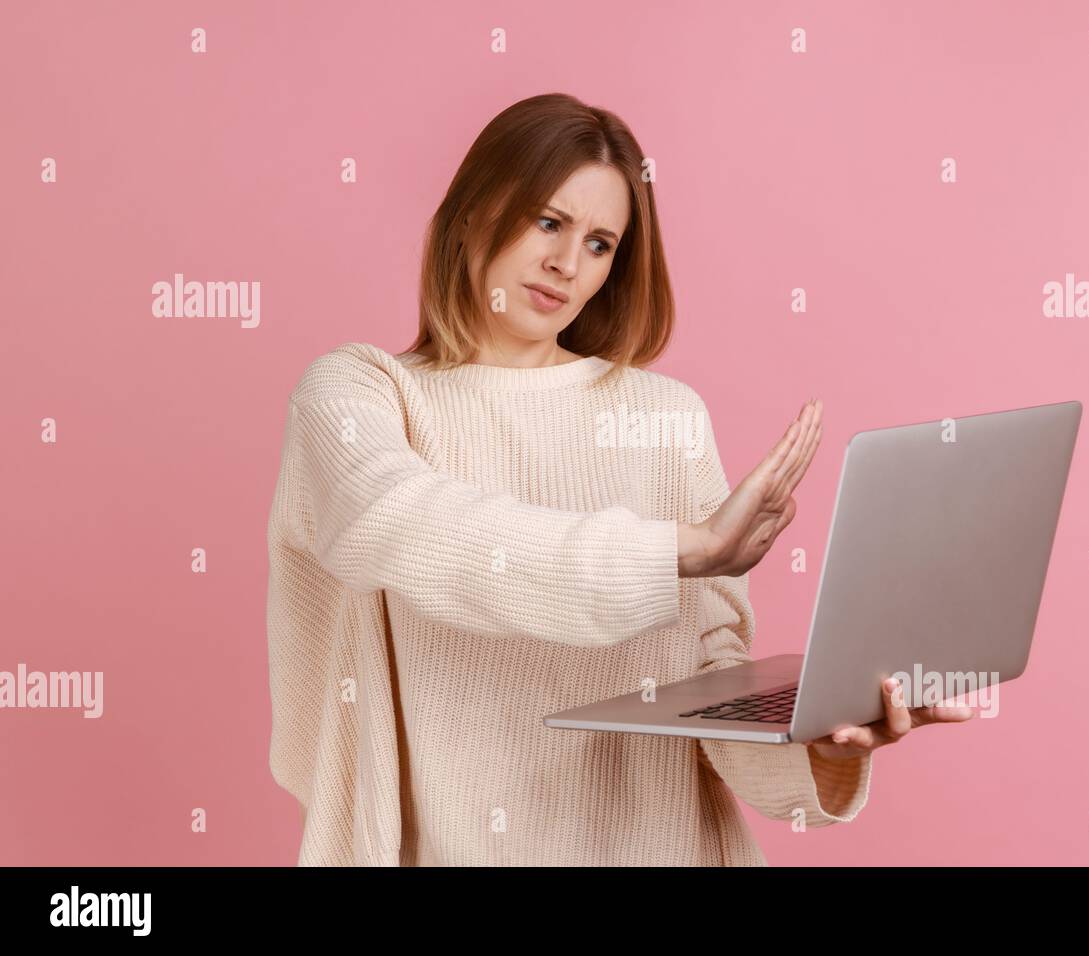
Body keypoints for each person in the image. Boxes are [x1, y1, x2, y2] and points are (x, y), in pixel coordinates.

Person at [266, 92, 972, 866]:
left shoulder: (664, 417)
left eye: (601, 243)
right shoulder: (360, 394)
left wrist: (831, 746)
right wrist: (680, 550)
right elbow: (395, 523)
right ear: (473, 211)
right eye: (548, 222)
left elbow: (708, 686)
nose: (568, 265)